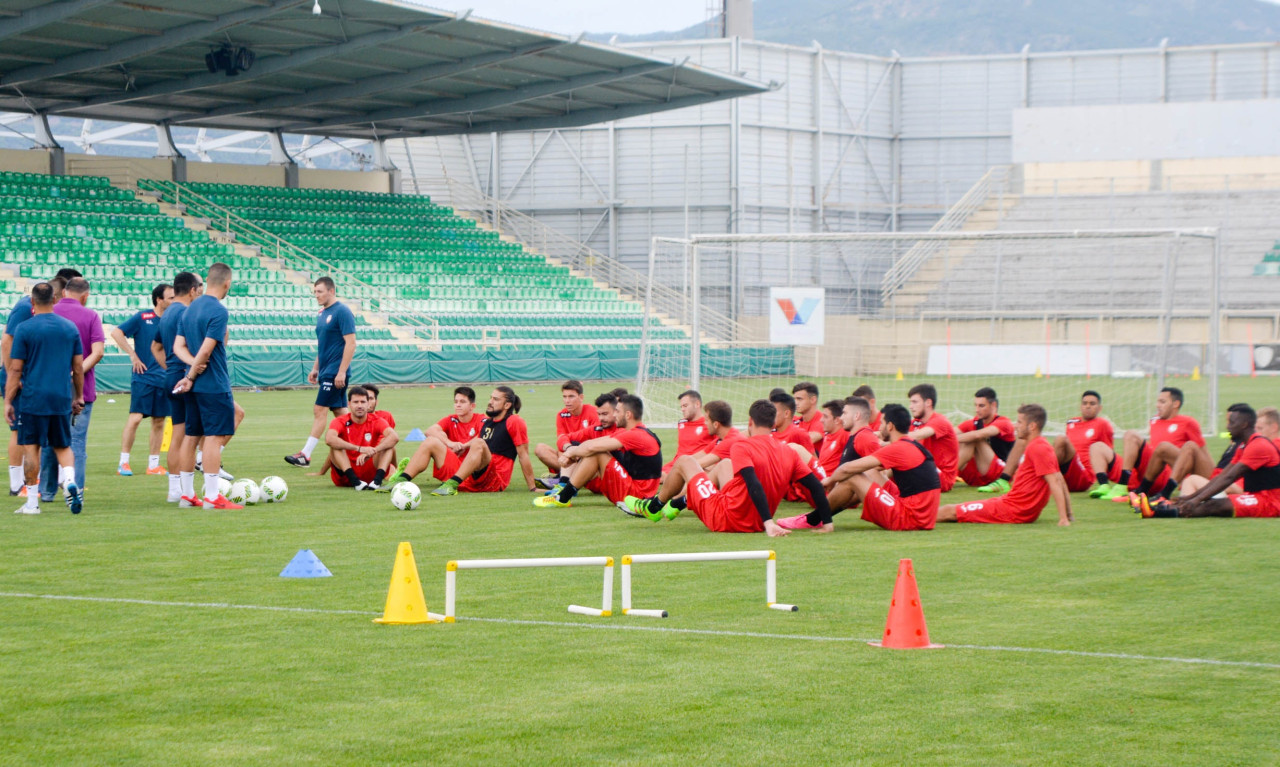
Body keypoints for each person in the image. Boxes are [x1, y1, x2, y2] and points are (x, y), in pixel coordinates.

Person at [624, 399, 832, 535]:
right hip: (755, 522)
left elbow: (753, 483)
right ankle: (681, 502)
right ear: (773, 423)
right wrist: (827, 522)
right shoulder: (789, 451)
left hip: (727, 518)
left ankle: (654, 507)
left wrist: (769, 523)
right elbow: (815, 486)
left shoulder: (742, 445)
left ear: (750, 421)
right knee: (725, 465)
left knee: (685, 461)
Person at [776, 403, 939, 532]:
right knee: (866, 471)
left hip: (910, 518)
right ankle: (818, 515)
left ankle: (813, 519)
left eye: (881, 423)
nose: (878, 428)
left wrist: (830, 481)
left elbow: (848, 469)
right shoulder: (910, 444)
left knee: (852, 475)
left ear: (890, 426)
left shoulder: (888, 444)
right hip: (919, 512)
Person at [5, 282, 84, 515]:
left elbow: (16, 369)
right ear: (55, 300)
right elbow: (78, 367)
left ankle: (31, 503)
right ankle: (70, 480)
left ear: (32, 302)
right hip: (60, 395)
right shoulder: (69, 328)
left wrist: (9, 400)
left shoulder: (25, 329)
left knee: (31, 447)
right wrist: (78, 396)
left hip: (33, 397)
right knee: (63, 445)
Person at [172, 263, 241, 510]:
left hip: (194, 387)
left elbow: (178, 347)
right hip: (213, 384)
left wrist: (190, 370)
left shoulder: (188, 310)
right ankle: (212, 496)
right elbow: (208, 347)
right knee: (213, 438)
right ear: (227, 283)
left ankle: (187, 495)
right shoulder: (219, 311)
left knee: (191, 437)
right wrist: (192, 372)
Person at [937, 404, 1073, 526]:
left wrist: (1063, 519)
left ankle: (917, 518)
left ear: (1032, 426)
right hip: (1014, 506)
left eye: (1020, 422)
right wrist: (1069, 514)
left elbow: (1054, 481)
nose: (1016, 425)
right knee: (953, 510)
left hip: (1012, 509)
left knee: (951, 511)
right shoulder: (1041, 445)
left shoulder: (1038, 448)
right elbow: (1058, 478)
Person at [386, 386, 535, 495]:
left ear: (507, 405)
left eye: (495, 399)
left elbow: (523, 455)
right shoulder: (488, 421)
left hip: (494, 480)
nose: (490, 402)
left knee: (478, 443)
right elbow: (431, 431)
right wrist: (461, 446)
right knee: (431, 441)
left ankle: (451, 484)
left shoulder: (514, 420)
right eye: (490, 397)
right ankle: (400, 481)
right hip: (471, 475)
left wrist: (532, 487)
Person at [1142, 404, 1280, 519]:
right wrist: (1191, 497)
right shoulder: (1244, 446)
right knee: (1211, 502)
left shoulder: (1258, 446)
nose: (1228, 427)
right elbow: (1222, 476)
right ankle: (1163, 508)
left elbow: (1230, 477)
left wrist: (1195, 500)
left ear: (1244, 425)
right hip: (1256, 496)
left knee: (1217, 505)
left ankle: (1158, 513)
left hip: (1272, 502)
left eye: (1232, 423)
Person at [535, 394, 662, 508]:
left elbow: (592, 448)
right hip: (636, 491)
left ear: (628, 415)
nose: (614, 415)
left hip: (636, 496)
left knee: (597, 453)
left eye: (617, 411)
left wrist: (569, 453)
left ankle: (562, 497)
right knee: (593, 450)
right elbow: (592, 443)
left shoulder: (635, 435)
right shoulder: (634, 432)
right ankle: (562, 489)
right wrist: (571, 450)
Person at [40, 277, 103, 504]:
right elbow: (97, 352)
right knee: (76, 443)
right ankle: (77, 493)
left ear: (64, 293)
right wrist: (77, 372)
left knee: (48, 442)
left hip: (48, 388)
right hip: (82, 390)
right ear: (85, 296)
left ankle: (46, 492)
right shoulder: (91, 316)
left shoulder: (49, 313)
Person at [285, 276, 356, 467]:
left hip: (335, 372)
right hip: (326, 370)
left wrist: (341, 372)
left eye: (320, 291)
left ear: (331, 291)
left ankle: (305, 455)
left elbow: (351, 343)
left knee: (319, 410)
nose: (316, 295)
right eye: (315, 291)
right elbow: (323, 345)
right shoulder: (322, 313)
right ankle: (361, 447)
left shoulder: (342, 312)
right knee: (341, 413)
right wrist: (316, 368)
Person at [1101, 387, 1208, 502]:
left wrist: (1197, 480)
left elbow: (1202, 455)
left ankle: (1128, 488)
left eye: (1162, 402)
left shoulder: (1188, 422)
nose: (1157, 405)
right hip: (1153, 470)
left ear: (1176, 404)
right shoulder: (1154, 421)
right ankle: (1128, 488)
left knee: (1160, 446)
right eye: (1158, 401)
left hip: (1171, 472)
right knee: (1128, 436)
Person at [111, 283, 174, 477]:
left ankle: (153, 465)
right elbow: (116, 332)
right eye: (170, 298)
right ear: (159, 300)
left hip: (164, 379)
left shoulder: (173, 320)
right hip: (143, 378)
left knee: (159, 421)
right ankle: (124, 462)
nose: (174, 301)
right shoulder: (143, 317)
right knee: (136, 418)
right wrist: (133, 355)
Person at [153, 272, 202, 505]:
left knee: (178, 434)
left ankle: (175, 489)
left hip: (172, 374)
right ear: (192, 289)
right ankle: (190, 483)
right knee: (189, 436)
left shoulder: (168, 312)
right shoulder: (186, 312)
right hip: (185, 376)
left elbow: (156, 346)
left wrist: (169, 367)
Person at [326, 386, 398, 490]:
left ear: (368, 404)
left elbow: (394, 437)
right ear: (349, 404)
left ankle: (377, 481)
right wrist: (359, 448)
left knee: (388, 445)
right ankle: (356, 482)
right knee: (335, 445)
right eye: (356, 402)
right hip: (346, 475)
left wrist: (373, 451)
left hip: (370, 471)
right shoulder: (340, 421)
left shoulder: (377, 420)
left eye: (363, 402)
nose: (359, 405)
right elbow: (329, 439)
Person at [1050, 390, 1121, 495]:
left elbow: (1107, 454)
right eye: (1085, 403)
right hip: (1068, 470)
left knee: (1061, 439)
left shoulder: (1102, 424)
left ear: (1099, 408)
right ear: (1080, 406)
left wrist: (1103, 478)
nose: (1088, 406)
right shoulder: (1072, 422)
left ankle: (1044, 481)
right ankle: (1049, 479)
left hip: (1084, 476)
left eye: (1092, 404)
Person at [535, 380, 600, 486]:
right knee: (540, 448)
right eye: (564, 397)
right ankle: (569, 478)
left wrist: (575, 450)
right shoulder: (561, 415)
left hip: (587, 456)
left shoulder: (593, 412)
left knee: (572, 446)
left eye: (571, 396)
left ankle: (562, 479)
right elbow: (561, 440)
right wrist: (569, 449)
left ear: (581, 397)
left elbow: (595, 441)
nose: (567, 401)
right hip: (568, 457)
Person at [954, 387, 1017, 493]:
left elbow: (978, 435)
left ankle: (945, 476)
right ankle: (940, 474)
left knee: (973, 438)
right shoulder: (975, 422)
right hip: (976, 477)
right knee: (959, 439)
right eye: (976, 405)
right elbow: (951, 433)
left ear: (993, 405)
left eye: (981, 406)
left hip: (1000, 475)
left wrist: (952, 440)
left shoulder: (1003, 423)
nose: (977, 410)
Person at [907, 383, 958, 491]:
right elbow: (899, 432)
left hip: (942, 479)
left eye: (914, 402)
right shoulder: (917, 422)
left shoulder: (939, 421)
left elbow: (917, 435)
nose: (910, 406)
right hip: (926, 471)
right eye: (910, 402)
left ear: (928, 402)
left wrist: (886, 441)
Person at [659, 389, 718, 474]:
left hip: (697, 465)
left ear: (697, 404)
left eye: (685, 406)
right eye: (681, 406)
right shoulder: (681, 423)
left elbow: (719, 448)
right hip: (677, 464)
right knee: (653, 475)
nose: (682, 409)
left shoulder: (710, 424)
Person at [694, 400, 743, 471]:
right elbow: (699, 455)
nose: (705, 423)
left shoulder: (730, 441)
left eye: (707, 421)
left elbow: (698, 464)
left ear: (716, 424)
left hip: (730, 480)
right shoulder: (722, 438)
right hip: (724, 477)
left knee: (692, 471)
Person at [769, 390, 816, 455]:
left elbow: (813, 462)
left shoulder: (798, 434)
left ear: (786, 413)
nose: (770, 415)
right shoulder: (769, 433)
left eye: (774, 412)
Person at [791, 382, 824, 447]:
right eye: (794, 399)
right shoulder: (796, 420)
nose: (795, 403)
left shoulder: (823, 420)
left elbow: (807, 440)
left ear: (813, 399)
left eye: (799, 399)